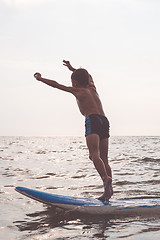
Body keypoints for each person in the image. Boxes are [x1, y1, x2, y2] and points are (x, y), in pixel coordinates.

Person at [34, 60, 113, 200]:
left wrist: (40, 79)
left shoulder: (77, 90)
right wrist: (72, 69)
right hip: (104, 120)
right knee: (104, 158)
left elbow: (56, 85)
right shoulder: (93, 88)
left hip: (93, 119)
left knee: (94, 155)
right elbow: (89, 75)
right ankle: (109, 191)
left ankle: (105, 178)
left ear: (75, 83)